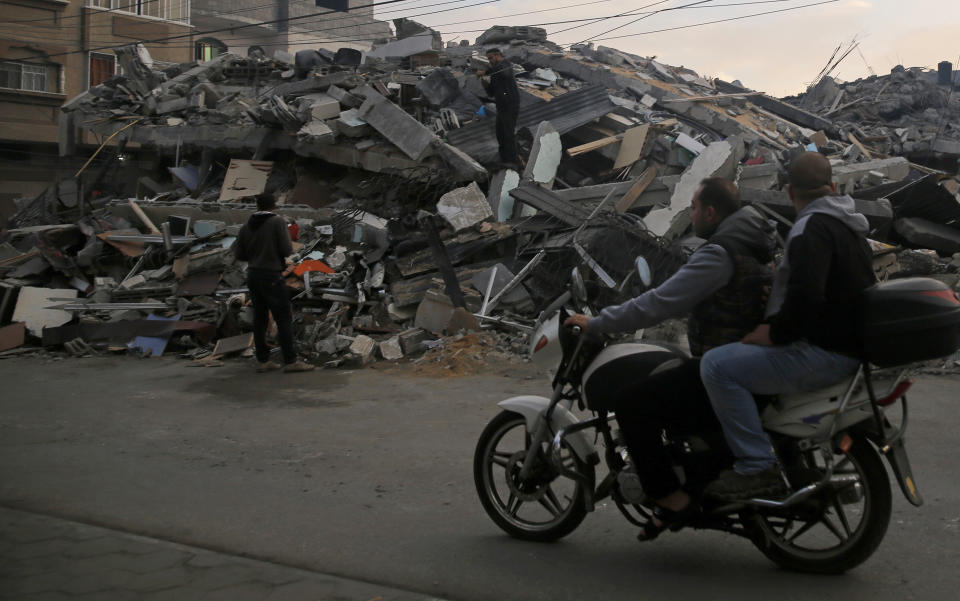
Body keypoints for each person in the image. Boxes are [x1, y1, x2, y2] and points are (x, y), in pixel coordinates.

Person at [565, 177, 776, 540]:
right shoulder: (754, 244)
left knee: (633, 403)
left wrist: (599, 322)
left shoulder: (719, 253)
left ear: (710, 212)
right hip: (747, 362)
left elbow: (661, 302)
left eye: (693, 206)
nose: (690, 214)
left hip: (724, 365)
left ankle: (670, 497)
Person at [700, 151, 875, 501]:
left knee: (716, 367)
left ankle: (756, 466)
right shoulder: (851, 225)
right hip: (849, 345)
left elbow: (807, 296)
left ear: (790, 194)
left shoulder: (810, 227)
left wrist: (774, 332)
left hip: (822, 352)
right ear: (835, 186)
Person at [234, 194, 315, 373]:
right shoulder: (277, 222)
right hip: (271, 275)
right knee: (283, 316)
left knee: (260, 318)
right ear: (274, 206)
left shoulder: (246, 226)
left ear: (257, 206)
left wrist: (257, 255)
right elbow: (286, 249)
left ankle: (263, 361)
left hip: (253, 275)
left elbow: (239, 254)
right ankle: (291, 361)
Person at [476, 47, 520, 168]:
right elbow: (491, 93)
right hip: (501, 106)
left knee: (508, 133)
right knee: (500, 133)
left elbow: (503, 73)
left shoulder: (506, 65)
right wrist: (485, 85)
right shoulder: (495, 72)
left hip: (510, 104)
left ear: (498, 55)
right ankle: (504, 159)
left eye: (491, 58)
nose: (490, 61)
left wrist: (485, 73)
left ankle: (513, 161)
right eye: (488, 59)